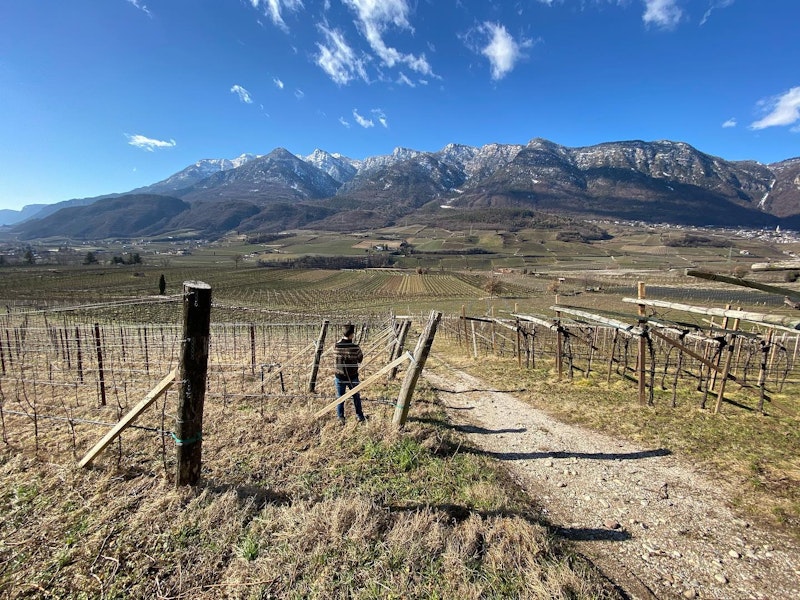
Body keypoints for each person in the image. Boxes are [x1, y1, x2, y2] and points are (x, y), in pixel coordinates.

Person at [334, 323, 366, 423]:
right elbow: (360, 359)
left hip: (339, 376)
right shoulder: (355, 348)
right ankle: (359, 416)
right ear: (352, 335)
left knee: (340, 398)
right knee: (356, 396)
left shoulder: (336, 347)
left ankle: (341, 418)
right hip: (353, 377)